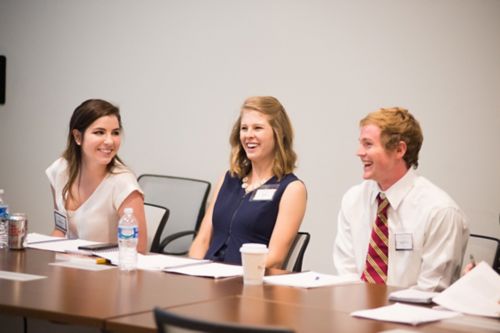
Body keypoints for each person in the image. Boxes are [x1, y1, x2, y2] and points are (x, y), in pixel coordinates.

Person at [333, 107, 469, 291]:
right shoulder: (353, 199)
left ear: (399, 149)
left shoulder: (440, 211)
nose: (359, 152)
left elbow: (431, 290)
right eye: (360, 143)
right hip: (355, 311)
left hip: (416, 316)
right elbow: (346, 273)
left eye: (368, 144)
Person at [189, 96, 307, 268]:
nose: (249, 135)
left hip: (248, 282)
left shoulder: (291, 189)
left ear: (278, 133)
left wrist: (234, 276)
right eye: (244, 128)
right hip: (208, 277)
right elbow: (202, 240)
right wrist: (191, 273)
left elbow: (275, 258)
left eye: (258, 128)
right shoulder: (228, 179)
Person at [46, 99, 148, 253]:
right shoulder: (60, 170)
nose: (109, 141)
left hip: (106, 271)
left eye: (115, 133)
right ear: (78, 137)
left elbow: (138, 251)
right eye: (99, 132)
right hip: (68, 267)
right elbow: (61, 230)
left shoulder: (123, 183)